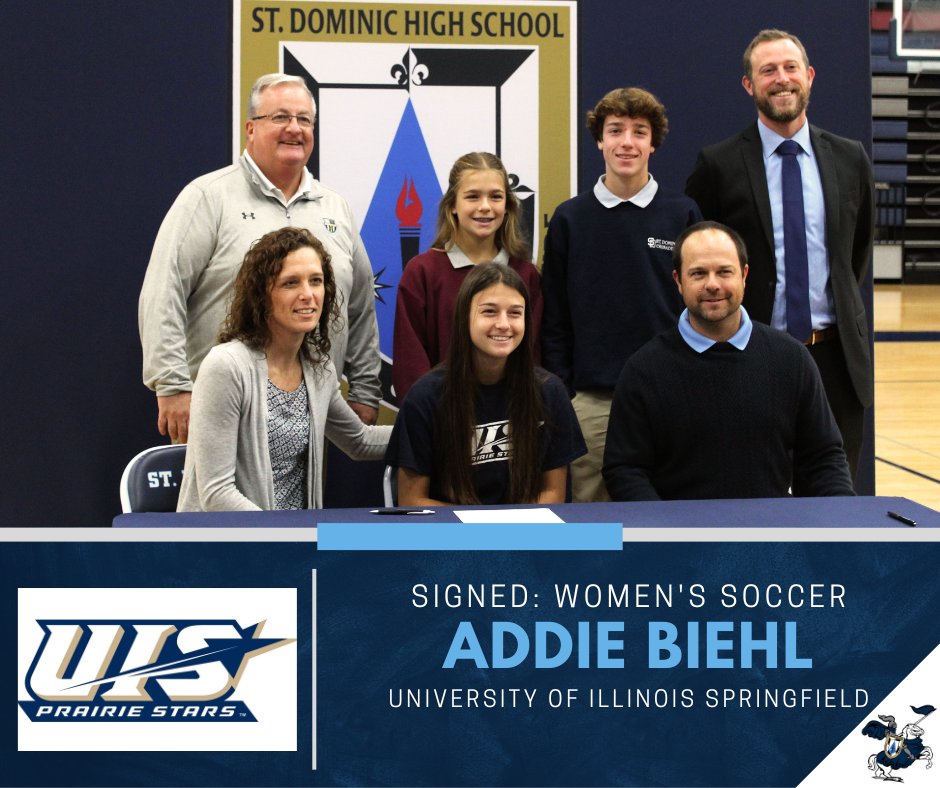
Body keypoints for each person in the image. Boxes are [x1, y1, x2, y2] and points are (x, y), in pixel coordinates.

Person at [140, 73, 381, 444]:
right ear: (250, 128)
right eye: (280, 117)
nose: (294, 129)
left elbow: (360, 304)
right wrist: (172, 385)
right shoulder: (208, 198)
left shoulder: (336, 208)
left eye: (304, 120)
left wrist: (365, 389)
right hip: (222, 411)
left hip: (309, 415)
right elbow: (163, 291)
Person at [685, 29, 874, 482]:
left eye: (791, 68)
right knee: (752, 495)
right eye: (767, 70)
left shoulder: (851, 158)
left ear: (809, 77)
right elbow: (699, 258)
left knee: (831, 500)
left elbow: (855, 253)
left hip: (834, 360)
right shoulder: (719, 164)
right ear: (749, 85)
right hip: (749, 355)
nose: (781, 79)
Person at [602, 222, 854, 501]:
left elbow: (823, 458)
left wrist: (840, 520)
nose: (712, 284)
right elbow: (625, 470)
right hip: (681, 538)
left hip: (771, 536)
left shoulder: (791, 359)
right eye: (698, 273)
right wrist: (665, 533)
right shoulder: (644, 370)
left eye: (724, 272)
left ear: (744, 275)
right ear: (678, 281)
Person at [540, 87, 702, 503]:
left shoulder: (681, 213)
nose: (626, 142)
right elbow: (553, 314)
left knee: (669, 513)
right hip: (594, 401)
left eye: (639, 132)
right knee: (595, 513)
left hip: (673, 394)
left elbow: (699, 306)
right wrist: (563, 391)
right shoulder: (569, 219)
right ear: (599, 140)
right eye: (615, 130)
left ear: (653, 143)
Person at [177, 227, 391, 511]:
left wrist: (443, 433)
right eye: (291, 283)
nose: (308, 294)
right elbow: (217, 493)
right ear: (262, 295)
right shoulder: (225, 366)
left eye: (316, 281)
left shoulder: (318, 367)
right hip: (229, 546)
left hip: (294, 542)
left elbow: (360, 441)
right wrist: (279, 537)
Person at [387, 263, 585, 506]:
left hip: (526, 536)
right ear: (464, 317)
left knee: (606, 541)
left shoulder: (550, 392)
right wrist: (484, 532)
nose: (504, 324)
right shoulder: (425, 397)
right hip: (451, 538)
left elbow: (554, 494)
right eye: (489, 311)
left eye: (515, 313)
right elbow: (412, 501)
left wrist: (505, 534)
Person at [392, 151, 542, 402]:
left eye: (495, 197)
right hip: (441, 420)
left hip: (508, 421)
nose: (485, 206)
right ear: (452, 205)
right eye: (473, 196)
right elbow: (410, 364)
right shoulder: (422, 272)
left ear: (507, 206)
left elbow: (533, 357)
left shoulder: (525, 274)